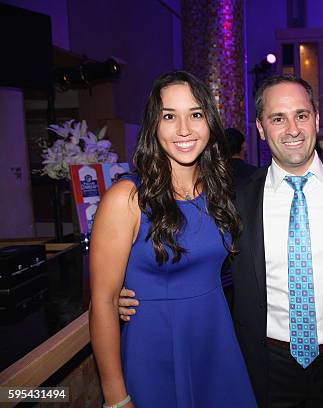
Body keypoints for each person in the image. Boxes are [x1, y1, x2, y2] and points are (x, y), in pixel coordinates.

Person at [120, 75, 323, 407]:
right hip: (264, 364)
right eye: (278, 118)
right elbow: (196, 252)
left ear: (316, 118)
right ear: (260, 127)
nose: (292, 129)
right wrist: (129, 291)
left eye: (301, 115)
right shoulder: (235, 197)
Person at [89, 71, 256, 407]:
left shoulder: (218, 192)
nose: (184, 129)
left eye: (195, 114)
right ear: (153, 125)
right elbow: (103, 304)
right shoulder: (126, 198)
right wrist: (115, 396)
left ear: (209, 123)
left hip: (216, 342)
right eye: (169, 116)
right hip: (154, 350)